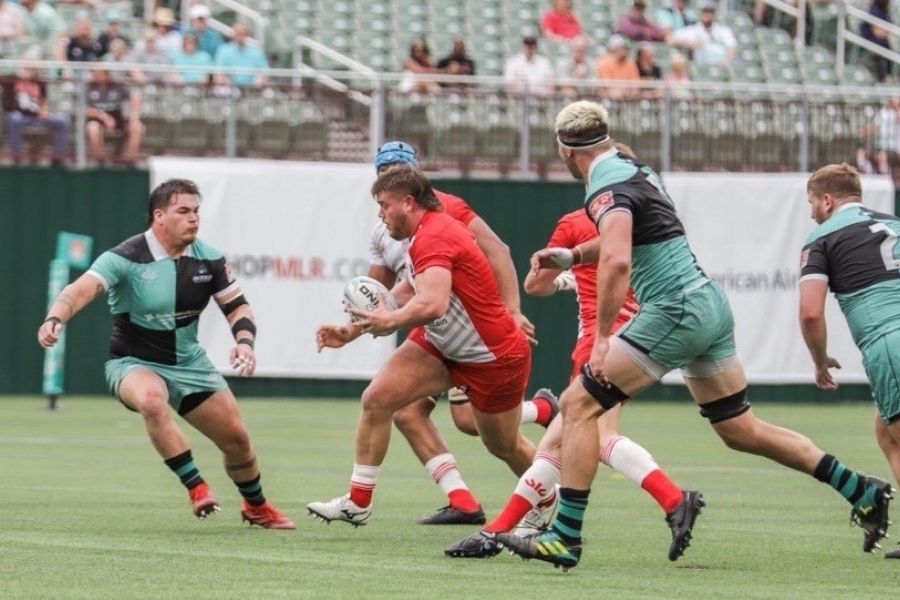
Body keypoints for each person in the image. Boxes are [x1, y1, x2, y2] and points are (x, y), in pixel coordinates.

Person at [498, 100, 894, 570]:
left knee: (578, 406)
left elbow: (620, 259)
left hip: (676, 307)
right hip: (707, 303)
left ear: (565, 150)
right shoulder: (633, 167)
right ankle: (860, 489)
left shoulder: (603, 182)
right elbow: (627, 237)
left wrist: (603, 337)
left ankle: (565, 537)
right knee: (740, 429)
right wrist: (572, 257)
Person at [445, 143, 695, 561]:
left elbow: (535, 286)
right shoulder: (648, 217)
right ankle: (499, 530)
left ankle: (674, 500)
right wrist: (580, 278)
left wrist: (570, 277)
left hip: (599, 339)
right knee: (562, 444)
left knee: (596, 438)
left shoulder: (577, 221)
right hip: (644, 331)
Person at [36, 178, 295, 530]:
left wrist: (245, 342)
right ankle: (197, 487)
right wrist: (55, 318)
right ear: (159, 216)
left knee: (237, 440)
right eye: (183, 211)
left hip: (190, 363)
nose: (194, 219)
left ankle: (256, 507)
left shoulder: (210, 259)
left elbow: (238, 308)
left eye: (197, 211)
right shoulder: (125, 257)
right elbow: (80, 290)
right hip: (132, 362)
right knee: (152, 400)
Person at [308, 165, 538, 527]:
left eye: (384, 205)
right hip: (444, 344)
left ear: (409, 202)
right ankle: (358, 501)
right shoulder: (419, 232)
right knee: (378, 400)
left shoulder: (435, 233)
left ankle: (551, 499)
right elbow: (411, 290)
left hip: (490, 354)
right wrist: (353, 330)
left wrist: (388, 321)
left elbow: (433, 304)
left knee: (502, 445)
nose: (380, 215)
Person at [799, 164, 900, 558]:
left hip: (889, 341)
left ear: (827, 200)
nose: (810, 212)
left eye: (811, 203)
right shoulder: (894, 222)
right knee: (885, 430)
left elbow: (810, 313)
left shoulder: (821, 238)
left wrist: (820, 361)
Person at [4, 63, 71, 165]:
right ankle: (16, 157)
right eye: (27, 68)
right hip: (22, 116)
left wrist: (44, 110)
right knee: (14, 119)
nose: (29, 71)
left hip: (38, 117)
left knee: (63, 120)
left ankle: (57, 157)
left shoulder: (40, 83)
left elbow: (44, 100)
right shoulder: (13, 81)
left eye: (32, 69)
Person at [85, 67, 144, 165]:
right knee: (92, 128)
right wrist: (104, 117)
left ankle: (128, 161)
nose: (97, 75)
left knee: (138, 127)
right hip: (98, 120)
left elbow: (136, 97)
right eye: (95, 73)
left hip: (119, 118)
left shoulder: (117, 86)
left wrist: (135, 118)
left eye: (100, 73)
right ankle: (100, 161)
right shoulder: (88, 87)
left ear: (107, 74)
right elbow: (84, 109)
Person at [669, 1, 737, 66]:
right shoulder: (693, 30)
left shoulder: (724, 30)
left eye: (710, 12)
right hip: (702, 66)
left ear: (714, 14)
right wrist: (688, 43)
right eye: (704, 11)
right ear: (700, 13)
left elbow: (732, 48)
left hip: (722, 64)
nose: (707, 14)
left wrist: (726, 62)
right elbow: (671, 39)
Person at [214, 22, 269, 87]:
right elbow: (218, 73)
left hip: (252, 88)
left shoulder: (256, 52)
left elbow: (265, 73)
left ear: (247, 35)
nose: (240, 37)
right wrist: (223, 83)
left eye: (242, 34)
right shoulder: (223, 50)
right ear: (233, 35)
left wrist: (259, 85)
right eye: (237, 34)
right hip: (229, 89)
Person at [595, 34, 640, 99]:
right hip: (609, 98)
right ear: (614, 49)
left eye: (625, 48)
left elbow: (636, 85)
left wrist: (625, 90)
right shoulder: (604, 63)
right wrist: (623, 89)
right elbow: (608, 86)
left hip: (628, 98)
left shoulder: (631, 64)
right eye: (622, 48)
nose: (625, 51)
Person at [860, 0, 893, 81]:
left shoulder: (884, 11)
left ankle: (888, 76)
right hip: (870, 41)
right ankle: (887, 76)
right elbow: (878, 32)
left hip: (882, 42)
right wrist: (887, 31)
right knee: (886, 46)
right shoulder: (874, 10)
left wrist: (886, 31)